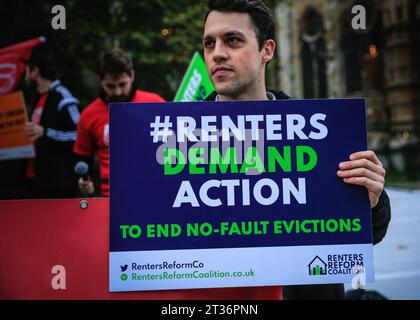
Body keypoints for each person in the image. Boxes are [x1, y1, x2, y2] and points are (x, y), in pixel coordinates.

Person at [202, 0, 391, 299]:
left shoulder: (320, 132)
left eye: (233, 40)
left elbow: (370, 234)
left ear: (267, 50)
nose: (217, 53)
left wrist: (372, 199)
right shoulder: (179, 137)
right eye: (209, 43)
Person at [73, 48, 165, 197]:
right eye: (110, 86)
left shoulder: (155, 103)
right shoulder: (88, 115)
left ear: (132, 76)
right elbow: (83, 158)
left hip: (152, 190)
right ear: (100, 80)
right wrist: (84, 183)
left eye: (122, 84)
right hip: (110, 196)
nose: (117, 92)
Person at [24, 53, 81, 198]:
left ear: (35, 71)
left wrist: (46, 132)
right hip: (36, 178)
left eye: (26, 71)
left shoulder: (63, 96)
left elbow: (79, 136)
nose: (25, 76)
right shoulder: (37, 97)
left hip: (58, 184)